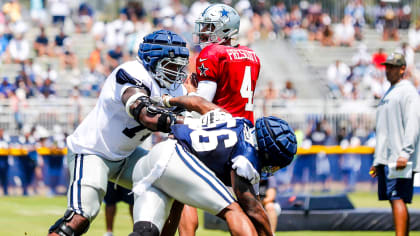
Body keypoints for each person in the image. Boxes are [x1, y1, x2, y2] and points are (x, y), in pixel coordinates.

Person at [47, 29, 190, 236]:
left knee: (171, 182)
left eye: (179, 65)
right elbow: (146, 115)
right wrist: (188, 120)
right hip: (93, 150)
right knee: (80, 216)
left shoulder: (175, 89)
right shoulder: (131, 72)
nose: (177, 71)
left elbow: (184, 129)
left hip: (127, 155)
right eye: (171, 65)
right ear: (152, 60)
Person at [130, 105, 297, 236]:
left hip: (156, 156)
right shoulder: (247, 157)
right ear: (267, 151)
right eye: (274, 164)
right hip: (175, 159)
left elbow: (199, 103)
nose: (272, 169)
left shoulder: (240, 123)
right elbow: (253, 209)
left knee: (148, 231)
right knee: (234, 211)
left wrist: (169, 101)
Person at [181, 4, 261, 233]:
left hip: (218, 134)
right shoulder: (252, 55)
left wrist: (189, 92)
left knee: (181, 190)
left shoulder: (212, 54)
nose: (204, 31)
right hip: (246, 137)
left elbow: (202, 103)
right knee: (250, 207)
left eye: (209, 26)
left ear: (225, 30)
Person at [370, 53, 420, 236]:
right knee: (395, 199)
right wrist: (378, 160)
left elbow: (413, 124)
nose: (388, 70)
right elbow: (383, 130)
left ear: (402, 69)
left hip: (399, 157)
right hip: (388, 157)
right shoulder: (390, 92)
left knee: (397, 197)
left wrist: (405, 153)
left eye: (392, 66)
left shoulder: (408, 91)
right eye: (387, 66)